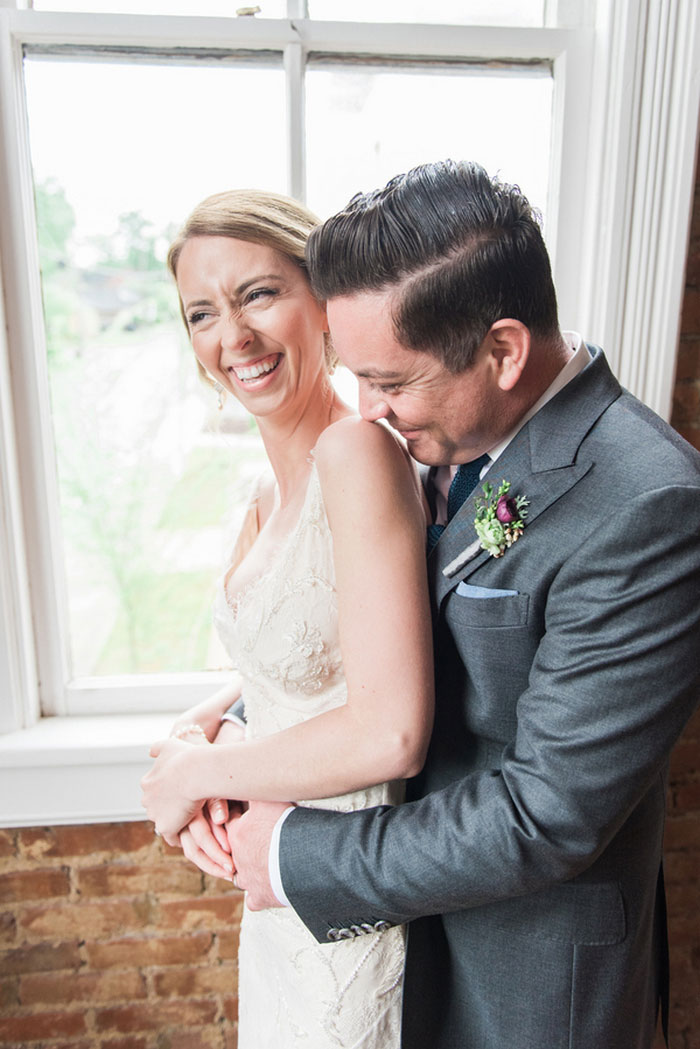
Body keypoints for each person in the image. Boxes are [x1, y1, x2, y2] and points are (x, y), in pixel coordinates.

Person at [225, 161, 700, 1049]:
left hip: (523, 979)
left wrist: (293, 856)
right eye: (359, 376)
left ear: (505, 350)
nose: (370, 410)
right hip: (393, 947)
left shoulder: (651, 504)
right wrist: (243, 727)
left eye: (393, 383)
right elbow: (388, 638)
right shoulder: (444, 427)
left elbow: (545, 811)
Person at [140, 188, 435, 1048]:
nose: (233, 336)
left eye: (259, 294)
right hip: (274, 911)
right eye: (203, 312)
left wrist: (193, 780)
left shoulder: (358, 455)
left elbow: (389, 733)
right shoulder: (263, 492)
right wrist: (203, 734)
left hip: (346, 903)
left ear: (325, 303)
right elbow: (309, 659)